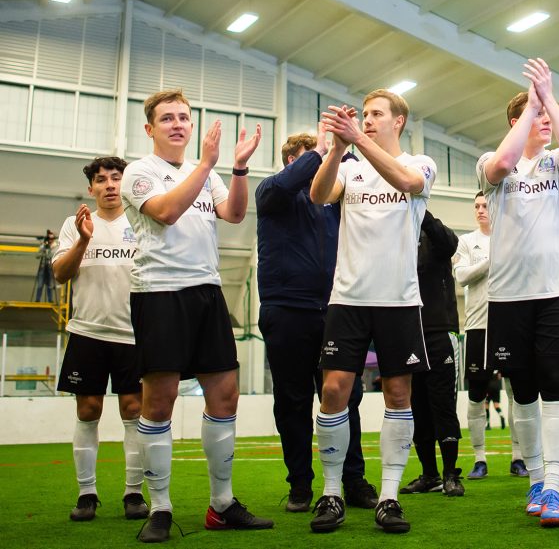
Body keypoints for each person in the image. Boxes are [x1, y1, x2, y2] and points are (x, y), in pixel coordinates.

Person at [121, 89, 271, 542]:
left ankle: (221, 504)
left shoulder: (204, 173)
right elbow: (165, 213)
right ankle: (161, 508)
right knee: (158, 403)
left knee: (225, 397)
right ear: (150, 129)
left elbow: (236, 212)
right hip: (160, 294)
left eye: (184, 117)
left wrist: (239, 168)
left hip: (207, 293)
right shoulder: (139, 173)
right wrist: (207, 164)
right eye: (167, 118)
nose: (178, 124)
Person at [309, 90, 436, 534]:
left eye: (376, 114)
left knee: (398, 396)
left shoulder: (420, 164)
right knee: (333, 390)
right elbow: (319, 194)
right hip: (348, 299)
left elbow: (406, 183)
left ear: (398, 121)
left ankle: (389, 496)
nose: (367, 119)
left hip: (399, 301)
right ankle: (330, 493)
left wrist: (356, 141)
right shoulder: (350, 167)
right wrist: (338, 148)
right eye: (364, 115)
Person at [477, 58, 559, 527]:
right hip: (507, 296)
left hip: (558, 292)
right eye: (537, 115)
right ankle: (536, 480)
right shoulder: (490, 163)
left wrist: (551, 99)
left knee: (553, 385)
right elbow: (503, 162)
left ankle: (556, 488)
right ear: (517, 122)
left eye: (545, 116)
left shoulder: (557, 165)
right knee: (521, 389)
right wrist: (530, 106)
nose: (544, 121)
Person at [255, 127, 377, 514]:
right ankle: (301, 485)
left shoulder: (334, 201)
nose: (323, 164)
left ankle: (352, 479)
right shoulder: (272, 193)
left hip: (336, 310)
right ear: (294, 161)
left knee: (345, 397)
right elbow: (280, 188)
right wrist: (323, 149)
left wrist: (345, 152)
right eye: (313, 158)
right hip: (286, 311)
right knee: (291, 401)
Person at [53, 157, 147, 523]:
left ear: (124, 184)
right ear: (91, 188)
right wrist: (83, 239)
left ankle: (133, 494)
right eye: (101, 179)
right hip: (86, 333)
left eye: (115, 178)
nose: (109, 184)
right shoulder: (73, 225)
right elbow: (60, 275)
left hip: (133, 336)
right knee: (88, 410)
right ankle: (86, 494)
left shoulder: (141, 222)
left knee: (134, 412)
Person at [455, 193, 529, 479]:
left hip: (511, 326)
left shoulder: (514, 239)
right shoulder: (466, 241)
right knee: (476, 394)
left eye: (485, 206)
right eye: (476, 206)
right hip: (477, 326)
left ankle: (518, 457)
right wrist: (492, 260)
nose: (480, 210)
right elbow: (461, 277)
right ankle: (479, 459)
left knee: (515, 393)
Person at [400, 211, 465, 497]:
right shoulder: (395, 237)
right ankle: (429, 474)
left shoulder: (434, 235)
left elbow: (451, 243)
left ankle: (451, 474)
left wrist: (419, 206)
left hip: (440, 332)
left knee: (443, 406)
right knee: (417, 408)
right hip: (407, 333)